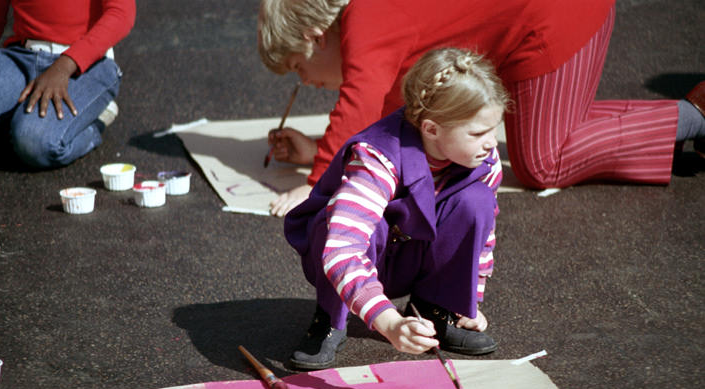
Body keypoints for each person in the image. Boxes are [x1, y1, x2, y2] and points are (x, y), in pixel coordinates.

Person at [258, 0, 705, 217]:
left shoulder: (365, 22)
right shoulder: (374, 26)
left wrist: (318, 182)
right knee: (544, 136)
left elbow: (359, 101)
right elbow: (393, 116)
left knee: (542, 163)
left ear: (317, 36)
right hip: (538, 21)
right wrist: (316, 148)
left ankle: (696, 117)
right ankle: (684, 123)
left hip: (558, 16)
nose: (304, 81)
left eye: (298, 66)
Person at [284, 47, 508, 370]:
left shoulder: (483, 159)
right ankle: (330, 318)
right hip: (354, 256)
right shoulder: (377, 157)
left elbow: (483, 230)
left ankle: (436, 308)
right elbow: (341, 250)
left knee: (478, 202)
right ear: (431, 129)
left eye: (494, 128)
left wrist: (468, 300)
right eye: (477, 132)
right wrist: (389, 323)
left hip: (410, 254)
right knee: (355, 222)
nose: (492, 142)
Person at [0, 0, 136, 169]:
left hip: (86, 64)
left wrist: (65, 65)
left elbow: (121, 14)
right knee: (18, 133)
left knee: (33, 142)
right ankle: (14, 122)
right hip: (22, 55)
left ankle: (94, 121)